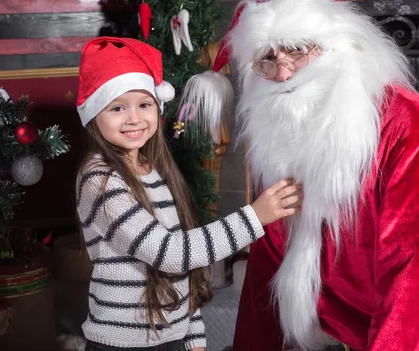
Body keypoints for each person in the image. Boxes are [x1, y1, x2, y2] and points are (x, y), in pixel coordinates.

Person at [180, 0, 419, 351]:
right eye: (267, 59)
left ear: (343, 44)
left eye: (298, 51)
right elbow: (272, 252)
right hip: (336, 328)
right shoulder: (280, 132)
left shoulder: (415, 133)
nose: (283, 74)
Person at [74, 36, 303, 351]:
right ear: (93, 116)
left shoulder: (150, 168)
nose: (134, 118)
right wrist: (255, 216)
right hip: (123, 343)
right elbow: (171, 253)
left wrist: (193, 338)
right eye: (117, 107)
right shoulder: (99, 180)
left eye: (144, 104)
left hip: (171, 339)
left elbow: (183, 266)